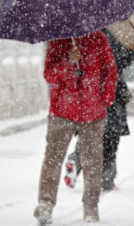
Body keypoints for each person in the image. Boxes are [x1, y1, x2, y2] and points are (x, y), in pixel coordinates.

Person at [34, 31, 118, 225]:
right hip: (62, 110)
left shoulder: (99, 39)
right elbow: (49, 74)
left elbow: (110, 72)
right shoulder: (57, 40)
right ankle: (45, 204)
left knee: (92, 162)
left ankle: (91, 207)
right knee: (53, 158)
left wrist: (104, 100)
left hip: (93, 112)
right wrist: (67, 62)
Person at [64, 29, 134, 192]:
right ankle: (106, 179)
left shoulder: (82, 33)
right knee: (110, 136)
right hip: (112, 91)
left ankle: (77, 159)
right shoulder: (118, 34)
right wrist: (129, 43)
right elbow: (125, 60)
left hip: (88, 89)